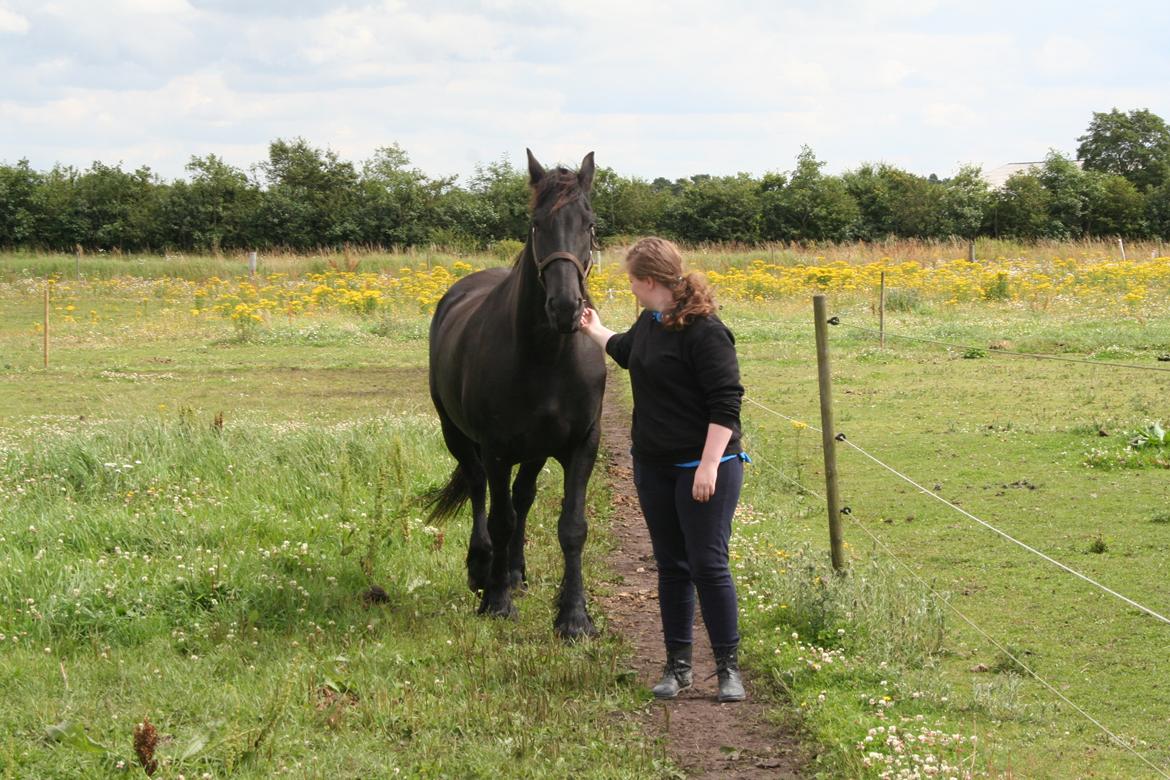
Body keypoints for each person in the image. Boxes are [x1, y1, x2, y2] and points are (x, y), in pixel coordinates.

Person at [579, 237, 747, 703]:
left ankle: (728, 669)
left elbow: (726, 403)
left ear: (649, 281)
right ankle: (678, 666)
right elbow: (630, 353)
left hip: (705, 466)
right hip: (654, 466)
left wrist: (709, 465)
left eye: (631, 279)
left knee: (708, 565)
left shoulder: (706, 332)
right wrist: (595, 329)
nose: (629, 286)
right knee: (672, 566)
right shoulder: (651, 321)